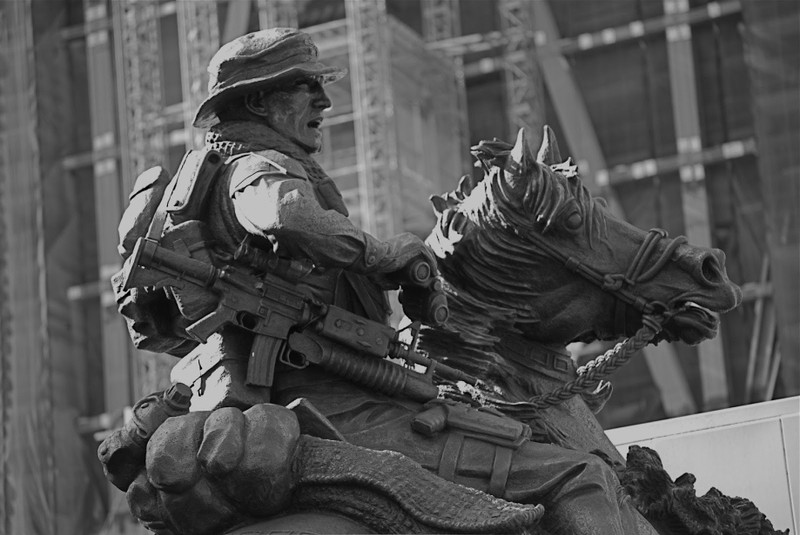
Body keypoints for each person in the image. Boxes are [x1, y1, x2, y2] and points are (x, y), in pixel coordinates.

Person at [113, 28, 658, 535]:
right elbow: (285, 215)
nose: (323, 102)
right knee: (578, 476)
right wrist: (386, 254)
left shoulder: (215, 172)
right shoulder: (258, 166)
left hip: (286, 382)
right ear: (259, 102)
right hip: (327, 397)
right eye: (306, 87)